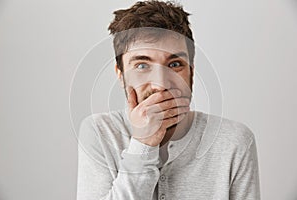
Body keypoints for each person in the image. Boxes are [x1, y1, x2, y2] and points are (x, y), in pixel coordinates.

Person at [76, 1, 261, 200]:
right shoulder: (100, 132)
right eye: (142, 66)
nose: (160, 84)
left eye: (175, 64)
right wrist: (143, 144)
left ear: (191, 72)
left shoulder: (234, 141)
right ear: (120, 74)